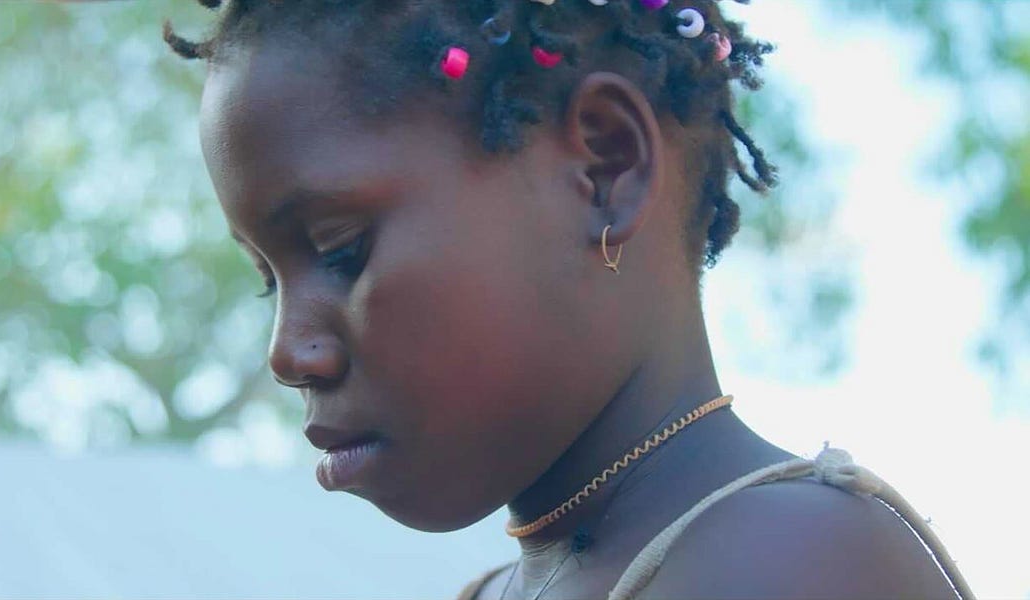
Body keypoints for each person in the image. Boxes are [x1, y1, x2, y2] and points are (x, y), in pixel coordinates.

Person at [164, 1, 974, 598]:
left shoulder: (782, 562)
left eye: (341, 251)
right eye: (270, 277)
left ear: (605, 167)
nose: (288, 352)